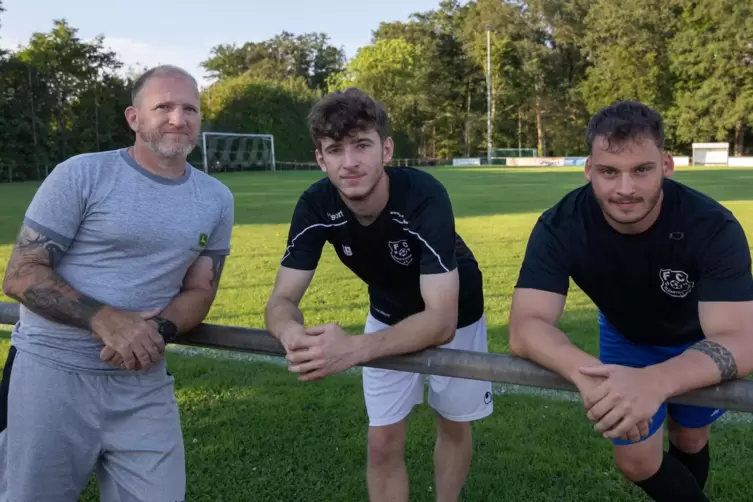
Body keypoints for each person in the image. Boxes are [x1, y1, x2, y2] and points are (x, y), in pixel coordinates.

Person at [0, 64, 234, 502]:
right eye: (163, 106)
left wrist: (157, 331)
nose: (178, 119)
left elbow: (200, 289)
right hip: (52, 377)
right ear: (134, 118)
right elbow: (22, 273)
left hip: (142, 381)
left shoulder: (216, 199)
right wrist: (104, 319)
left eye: (190, 109)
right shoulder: (82, 174)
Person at [508, 100, 753, 501]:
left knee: (690, 437)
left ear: (667, 165)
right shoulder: (561, 224)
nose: (625, 189)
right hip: (627, 336)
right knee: (636, 462)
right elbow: (525, 327)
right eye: (609, 172)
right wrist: (587, 375)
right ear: (589, 170)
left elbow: (742, 340)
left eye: (642, 170)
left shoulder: (711, 225)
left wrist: (656, 381)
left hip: (699, 340)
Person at [264, 87, 493, 502]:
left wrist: (352, 349)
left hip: (457, 315)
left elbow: (440, 320)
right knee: (382, 440)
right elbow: (281, 301)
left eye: (362, 146)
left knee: (453, 423)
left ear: (386, 149)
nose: (349, 162)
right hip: (387, 312)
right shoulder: (315, 205)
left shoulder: (424, 196)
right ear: (321, 159)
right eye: (335, 150)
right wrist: (288, 333)